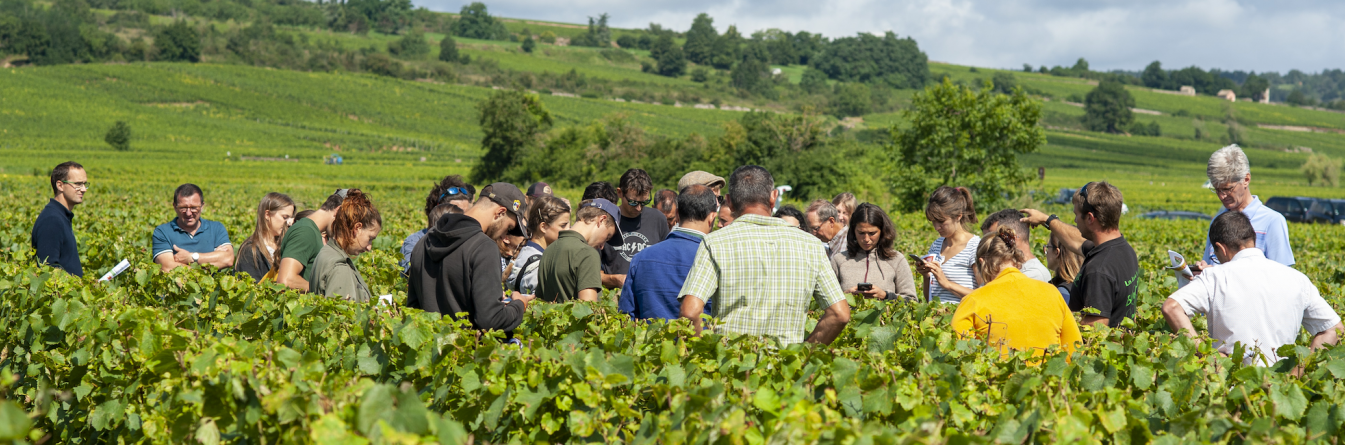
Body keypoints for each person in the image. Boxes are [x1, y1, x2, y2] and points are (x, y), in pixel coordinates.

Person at [679, 165, 851, 346]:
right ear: (773, 197)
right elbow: (840, 314)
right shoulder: (811, 245)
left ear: (729, 201)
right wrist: (803, 355)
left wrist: (704, 356)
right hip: (786, 369)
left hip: (730, 366)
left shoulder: (714, 242)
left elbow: (690, 312)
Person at [1163, 211, 1342, 366]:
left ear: (1220, 248)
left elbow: (1171, 307)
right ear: (1252, 239)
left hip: (1229, 384)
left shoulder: (1215, 277)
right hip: (1280, 385)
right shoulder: (1298, 279)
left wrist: (1206, 353)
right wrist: (1300, 370)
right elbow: (1334, 329)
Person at [407, 183, 533, 332]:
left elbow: (413, 308)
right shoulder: (484, 247)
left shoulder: (424, 241)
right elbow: (491, 320)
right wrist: (519, 304)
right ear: (500, 213)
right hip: (465, 350)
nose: (505, 235)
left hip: (428, 349)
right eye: (509, 227)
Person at [950, 227, 1082, 358]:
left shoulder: (973, 300)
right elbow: (1075, 349)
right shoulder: (1052, 293)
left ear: (982, 262)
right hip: (1048, 377)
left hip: (997, 377)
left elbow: (960, 353)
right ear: (1015, 260)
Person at [1021, 181, 1138, 327]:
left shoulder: (1099, 270)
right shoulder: (1123, 250)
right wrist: (1047, 220)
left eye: (1076, 215)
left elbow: (1095, 331)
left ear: (1090, 218)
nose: (1075, 221)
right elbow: (1075, 241)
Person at [620, 185, 717, 320]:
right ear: (712, 217)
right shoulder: (717, 258)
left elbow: (626, 315)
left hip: (649, 340)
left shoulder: (641, 258)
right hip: (700, 340)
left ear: (677, 214)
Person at [1197, 144, 1293, 270]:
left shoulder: (1272, 221)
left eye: (1227, 189)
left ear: (1246, 179)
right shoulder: (1217, 221)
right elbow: (1211, 264)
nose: (1221, 196)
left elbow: (1282, 275)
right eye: (1216, 190)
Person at [536, 199, 622, 302]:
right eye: (607, 236)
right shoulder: (587, 254)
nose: (602, 246)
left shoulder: (548, 250)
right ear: (601, 220)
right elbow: (588, 311)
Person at [831, 203, 918, 301]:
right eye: (861, 233)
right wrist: (846, 296)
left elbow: (912, 300)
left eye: (872, 233)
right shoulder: (839, 260)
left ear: (882, 231)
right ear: (853, 231)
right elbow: (826, 300)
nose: (866, 239)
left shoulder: (896, 260)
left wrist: (885, 296)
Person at [311, 190, 381, 302]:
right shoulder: (339, 267)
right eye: (370, 239)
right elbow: (342, 316)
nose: (369, 247)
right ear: (357, 228)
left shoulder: (326, 252)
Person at [605, 169, 671, 287]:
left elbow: (667, 261)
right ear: (619, 193)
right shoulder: (607, 221)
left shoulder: (657, 219)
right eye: (633, 202)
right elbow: (592, 273)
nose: (639, 208)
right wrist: (614, 279)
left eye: (644, 202)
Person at [913, 186, 979, 304]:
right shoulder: (936, 245)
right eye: (933, 221)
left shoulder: (975, 246)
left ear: (958, 215)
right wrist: (926, 277)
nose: (936, 227)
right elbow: (930, 298)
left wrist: (947, 284)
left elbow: (985, 294)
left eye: (941, 221)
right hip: (937, 319)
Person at [152, 184, 234, 272]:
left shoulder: (217, 228)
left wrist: (191, 257)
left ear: (202, 206)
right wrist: (214, 258)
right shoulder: (162, 232)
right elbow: (167, 267)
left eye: (194, 208)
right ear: (175, 207)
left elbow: (228, 259)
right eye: (183, 208)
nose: (188, 213)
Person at [276, 189, 346, 291]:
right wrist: (328, 291)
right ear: (338, 211)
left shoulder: (312, 231)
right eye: (347, 222)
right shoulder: (306, 231)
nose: (345, 230)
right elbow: (286, 281)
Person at [403, 176, 474, 271]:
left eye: (465, 214)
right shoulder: (414, 242)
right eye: (456, 213)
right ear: (439, 210)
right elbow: (411, 274)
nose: (462, 219)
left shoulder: (472, 242)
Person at [507, 196, 570, 296]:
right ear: (543, 227)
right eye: (563, 225)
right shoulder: (538, 265)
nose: (568, 230)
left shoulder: (526, 249)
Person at [32, 161, 86, 277]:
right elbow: (48, 268)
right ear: (60, 185)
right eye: (78, 184)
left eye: (85, 184)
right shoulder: (52, 220)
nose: (83, 189)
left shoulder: (61, 216)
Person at [234, 193, 296, 282]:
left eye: (291, 218)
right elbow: (251, 290)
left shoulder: (287, 246)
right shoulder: (250, 250)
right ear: (267, 215)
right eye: (285, 217)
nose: (289, 222)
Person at [981, 209, 1050, 283]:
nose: (988, 246)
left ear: (1012, 238)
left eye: (993, 240)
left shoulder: (1034, 274)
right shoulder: (997, 269)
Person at [1044, 230, 1083, 303]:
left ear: (1056, 252)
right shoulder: (1085, 283)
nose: (1046, 252)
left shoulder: (1062, 292)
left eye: (1047, 247)